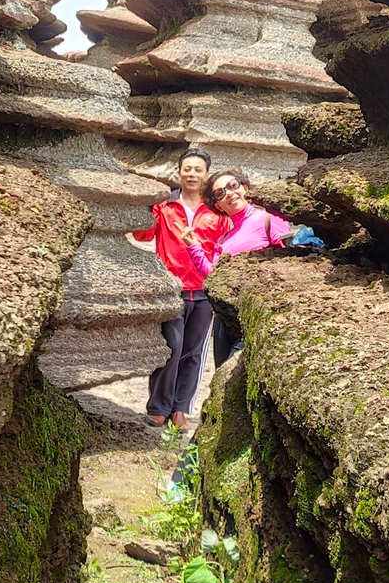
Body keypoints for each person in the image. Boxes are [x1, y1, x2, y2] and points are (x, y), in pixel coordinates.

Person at [126, 148, 227, 429]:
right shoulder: (165, 206)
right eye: (187, 169)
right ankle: (159, 406)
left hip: (205, 291)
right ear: (179, 172)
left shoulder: (217, 211)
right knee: (170, 347)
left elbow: (225, 246)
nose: (192, 174)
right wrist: (142, 203)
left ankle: (181, 408)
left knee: (194, 352)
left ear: (207, 175)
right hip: (171, 288)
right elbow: (142, 234)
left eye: (198, 170)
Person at [183, 168, 295, 366]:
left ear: (244, 187)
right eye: (220, 193)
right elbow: (212, 277)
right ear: (217, 205)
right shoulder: (225, 238)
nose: (229, 194)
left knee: (235, 371)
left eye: (233, 186)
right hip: (225, 318)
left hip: (256, 312)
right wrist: (194, 247)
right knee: (223, 381)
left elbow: (291, 263)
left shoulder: (268, 219)